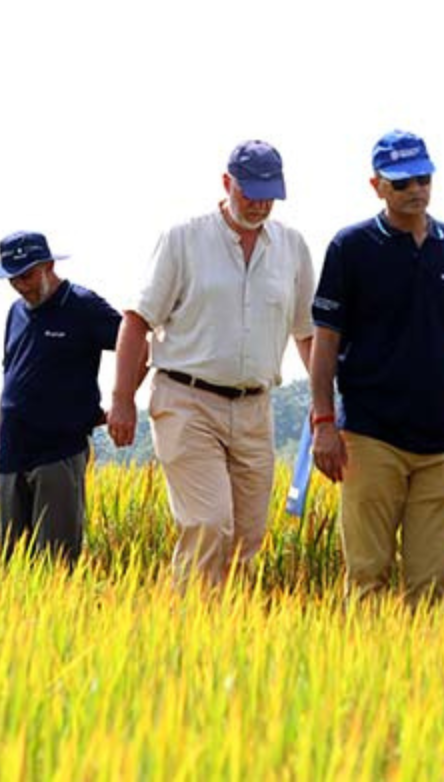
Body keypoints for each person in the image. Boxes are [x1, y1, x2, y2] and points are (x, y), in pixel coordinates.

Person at [108, 141, 316, 586]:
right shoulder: (183, 239)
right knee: (208, 525)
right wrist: (122, 399)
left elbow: (308, 334)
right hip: (187, 400)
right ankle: (186, 637)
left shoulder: (292, 248)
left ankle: (227, 643)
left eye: (269, 195)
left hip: (256, 408)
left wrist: (325, 411)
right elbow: (137, 321)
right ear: (227, 184)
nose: (260, 205)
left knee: (247, 540)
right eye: (250, 193)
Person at [309, 130, 444, 602]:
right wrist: (323, 422)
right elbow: (326, 340)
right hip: (372, 436)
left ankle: (422, 674)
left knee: (433, 583)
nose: (415, 190)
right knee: (367, 576)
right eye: (401, 183)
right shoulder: (350, 247)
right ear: (377, 186)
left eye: (423, 178)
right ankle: (364, 673)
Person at [0, 231, 120, 565]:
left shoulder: (83, 306)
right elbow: (9, 386)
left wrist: (122, 401)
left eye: (26, 275)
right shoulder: (15, 313)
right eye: (12, 278)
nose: (20, 285)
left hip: (58, 453)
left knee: (55, 564)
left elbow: (139, 344)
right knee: (13, 565)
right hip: (12, 455)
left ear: (48, 264)